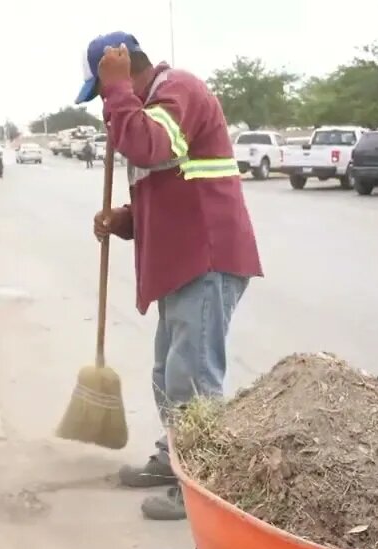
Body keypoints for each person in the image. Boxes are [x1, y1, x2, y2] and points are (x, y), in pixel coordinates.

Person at [77, 32, 263, 521]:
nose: (105, 106)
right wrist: (126, 220)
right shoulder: (150, 105)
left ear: (125, 71)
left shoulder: (178, 90)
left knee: (194, 382)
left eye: (102, 91)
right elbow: (168, 187)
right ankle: (174, 460)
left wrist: (116, 92)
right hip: (182, 261)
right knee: (168, 374)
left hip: (206, 258)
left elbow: (152, 146)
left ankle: (203, 491)